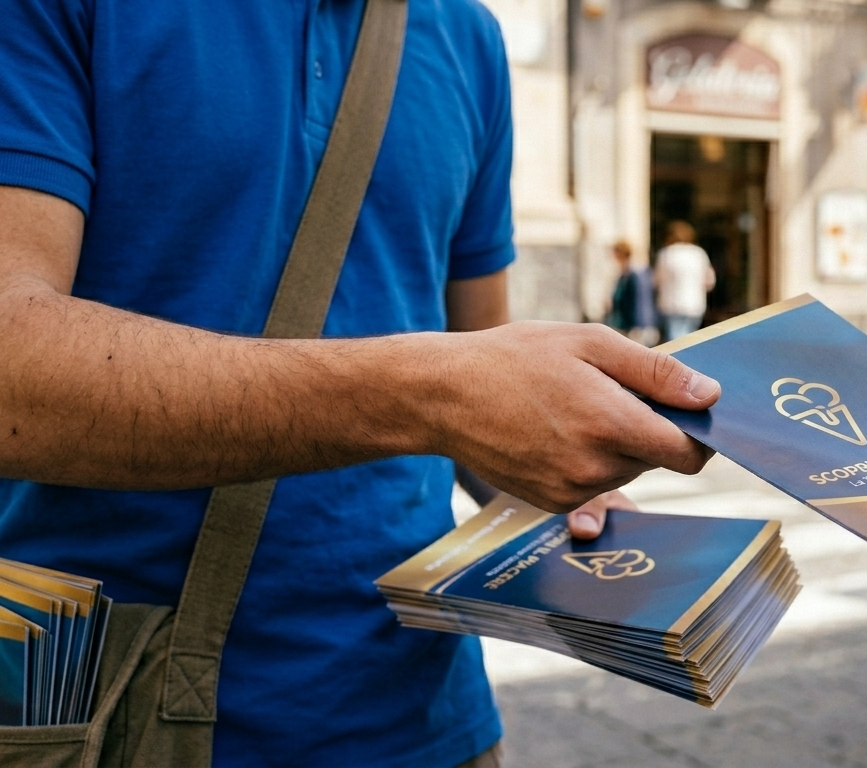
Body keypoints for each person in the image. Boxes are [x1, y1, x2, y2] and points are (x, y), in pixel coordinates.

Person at [0, 3, 720, 765]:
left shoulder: (467, 36)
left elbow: (476, 354)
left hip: (430, 716)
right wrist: (430, 394)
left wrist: (555, 468)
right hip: (112, 711)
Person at [654, 220, 716, 341]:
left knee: (675, 340)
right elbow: (709, 281)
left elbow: (657, 280)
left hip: (671, 305)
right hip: (695, 304)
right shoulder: (699, 253)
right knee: (689, 340)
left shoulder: (666, 253)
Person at [605, 240, 658, 346]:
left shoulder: (634, 273)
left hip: (634, 323)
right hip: (625, 321)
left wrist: (638, 324)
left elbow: (639, 300)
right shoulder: (625, 272)